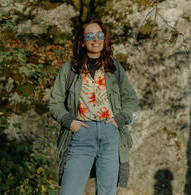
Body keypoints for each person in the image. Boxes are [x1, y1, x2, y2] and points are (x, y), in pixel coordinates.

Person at [48, 19, 138, 195]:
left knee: (106, 192)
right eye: (90, 36)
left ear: (104, 40)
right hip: (81, 134)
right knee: (68, 191)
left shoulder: (114, 68)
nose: (95, 40)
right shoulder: (70, 70)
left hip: (110, 134)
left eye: (100, 35)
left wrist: (120, 119)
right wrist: (69, 122)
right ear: (82, 41)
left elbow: (131, 98)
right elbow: (55, 103)